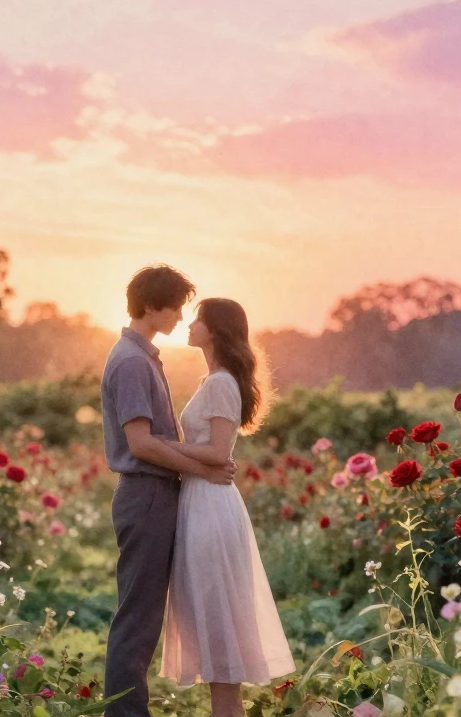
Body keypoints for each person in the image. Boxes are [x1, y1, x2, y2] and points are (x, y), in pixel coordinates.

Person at [101, 265, 237, 717]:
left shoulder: (144, 357)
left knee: (143, 618)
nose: (180, 315)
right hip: (146, 494)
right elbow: (141, 444)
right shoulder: (133, 361)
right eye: (175, 305)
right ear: (152, 305)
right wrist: (200, 469)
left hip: (154, 493)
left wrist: (196, 470)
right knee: (137, 620)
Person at [153, 298, 295, 717]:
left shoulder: (220, 383)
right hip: (203, 501)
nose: (189, 325)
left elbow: (217, 452)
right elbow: (213, 455)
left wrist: (156, 445)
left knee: (218, 629)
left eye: (197, 319)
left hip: (210, 508)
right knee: (213, 629)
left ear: (214, 330)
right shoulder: (213, 379)